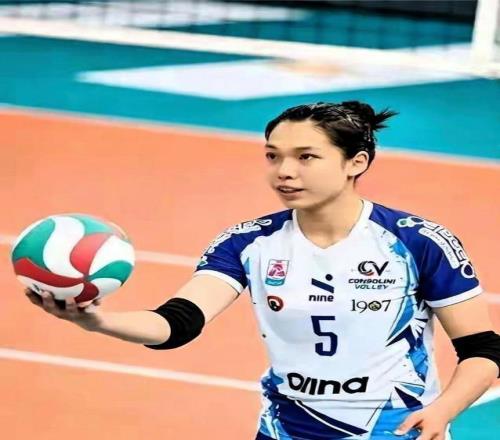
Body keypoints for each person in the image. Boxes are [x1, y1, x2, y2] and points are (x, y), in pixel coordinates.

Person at [26, 101, 500, 440]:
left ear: (356, 163)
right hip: (286, 428)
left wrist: (444, 410)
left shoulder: (416, 242)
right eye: (273, 155)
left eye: (305, 157)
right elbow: (177, 323)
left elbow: (484, 349)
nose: (283, 171)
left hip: (395, 429)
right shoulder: (248, 243)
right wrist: (97, 320)